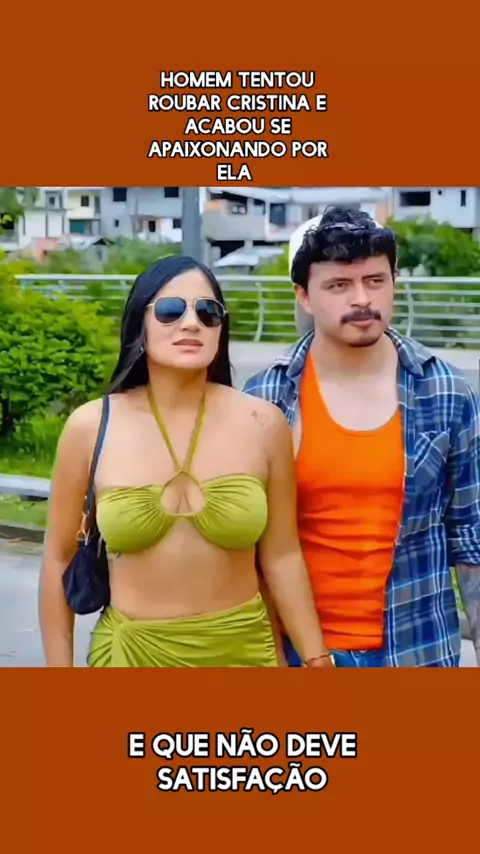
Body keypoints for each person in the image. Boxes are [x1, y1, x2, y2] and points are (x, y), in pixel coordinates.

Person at [39, 255, 333, 668]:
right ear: (140, 322)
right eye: (170, 310)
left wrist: (317, 659)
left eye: (208, 312)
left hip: (245, 655)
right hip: (131, 657)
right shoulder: (90, 426)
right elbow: (58, 560)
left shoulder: (263, 424)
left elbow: (282, 556)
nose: (191, 323)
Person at [243, 206, 480, 668]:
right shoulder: (266, 396)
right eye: (339, 285)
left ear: (394, 283)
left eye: (375, 281)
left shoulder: (446, 391)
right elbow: (250, 548)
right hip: (298, 651)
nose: (362, 299)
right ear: (304, 296)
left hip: (416, 648)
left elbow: (470, 533)